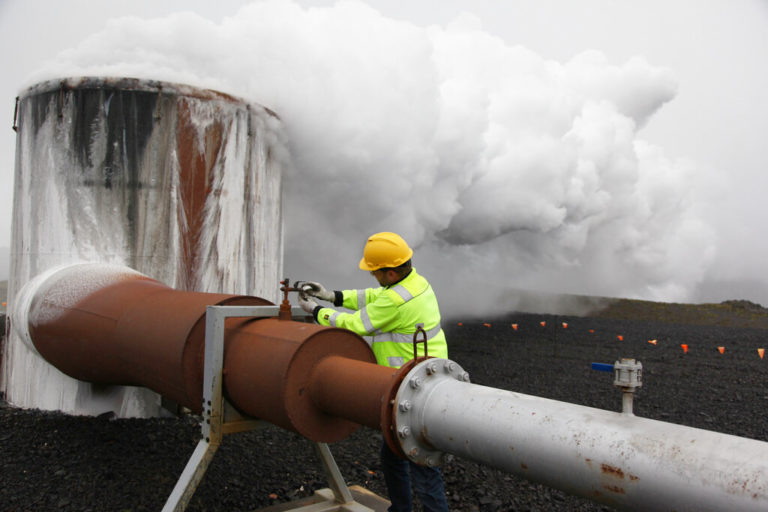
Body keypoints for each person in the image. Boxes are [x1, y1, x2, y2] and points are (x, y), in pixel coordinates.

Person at [298, 231, 450, 512]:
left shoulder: (395, 301)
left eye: (375, 273)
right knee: (395, 455)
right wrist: (332, 296)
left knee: (422, 465)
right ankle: (400, 509)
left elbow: (357, 324)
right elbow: (372, 297)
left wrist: (317, 311)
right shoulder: (415, 283)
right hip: (425, 378)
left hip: (413, 388)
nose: (373, 278)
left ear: (391, 273)